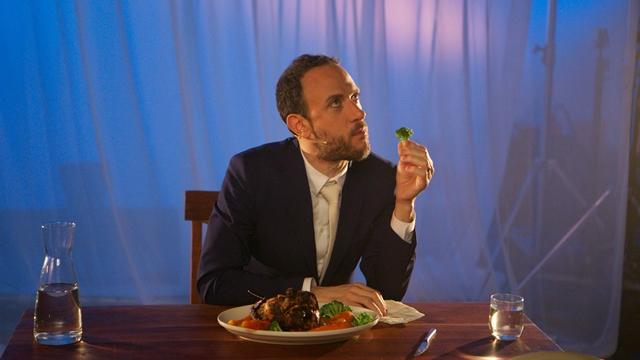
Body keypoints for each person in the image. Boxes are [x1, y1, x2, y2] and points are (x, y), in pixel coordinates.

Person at [198, 54, 434, 316]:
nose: (359, 113)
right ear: (300, 126)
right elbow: (214, 283)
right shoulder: (251, 172)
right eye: (336, 103)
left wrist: (404, 204)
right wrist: (312, 292)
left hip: (338, 335)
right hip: (264, 331)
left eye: (354, 97)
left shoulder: (380, 177)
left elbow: (387, 292)